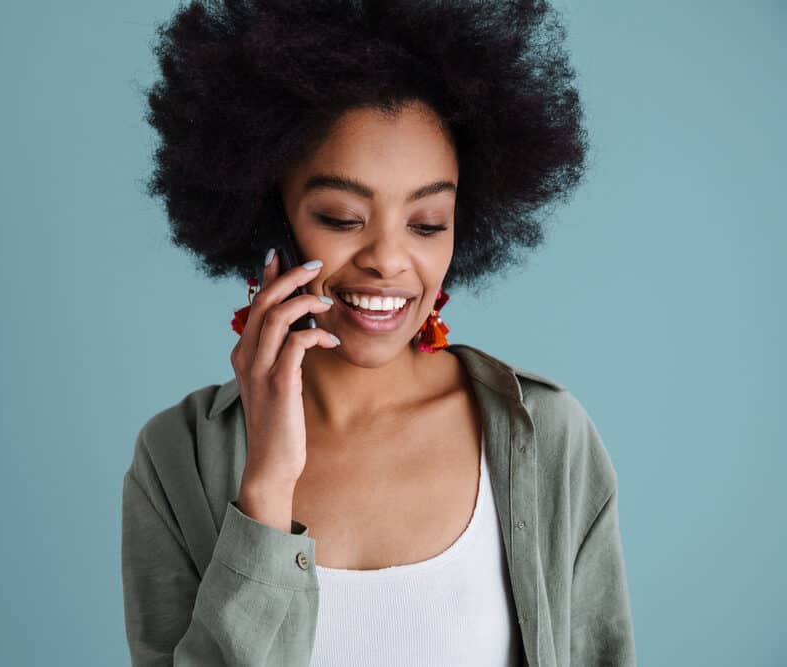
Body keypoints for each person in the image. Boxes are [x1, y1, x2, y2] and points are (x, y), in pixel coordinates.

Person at [122, 0, 636, 665]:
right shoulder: (176, 459)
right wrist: (267, 490)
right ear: (268, 219)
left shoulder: (546, 438)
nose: (390, 259)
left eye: (426, 223)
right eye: (341, 216)